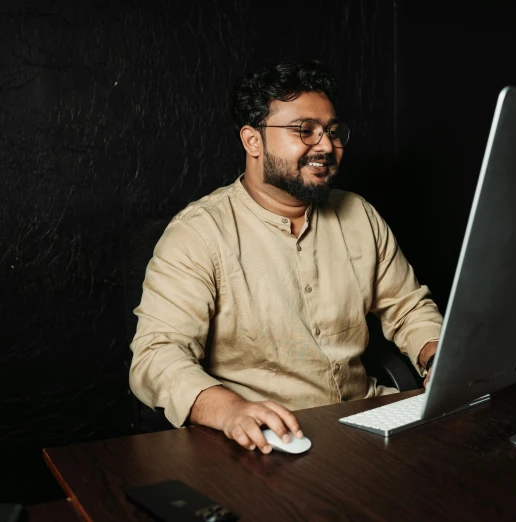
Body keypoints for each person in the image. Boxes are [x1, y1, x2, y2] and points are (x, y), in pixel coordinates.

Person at [129, 59, 442, 454]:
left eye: (331, 130)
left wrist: (437, 359)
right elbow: (156, 355)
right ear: (252, 141)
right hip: (270, 442)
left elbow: (409, 308)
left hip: (368, 422)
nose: (326, 145)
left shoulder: (359, 214)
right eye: (304, 130)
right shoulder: (198, 234)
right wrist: (229, 410)